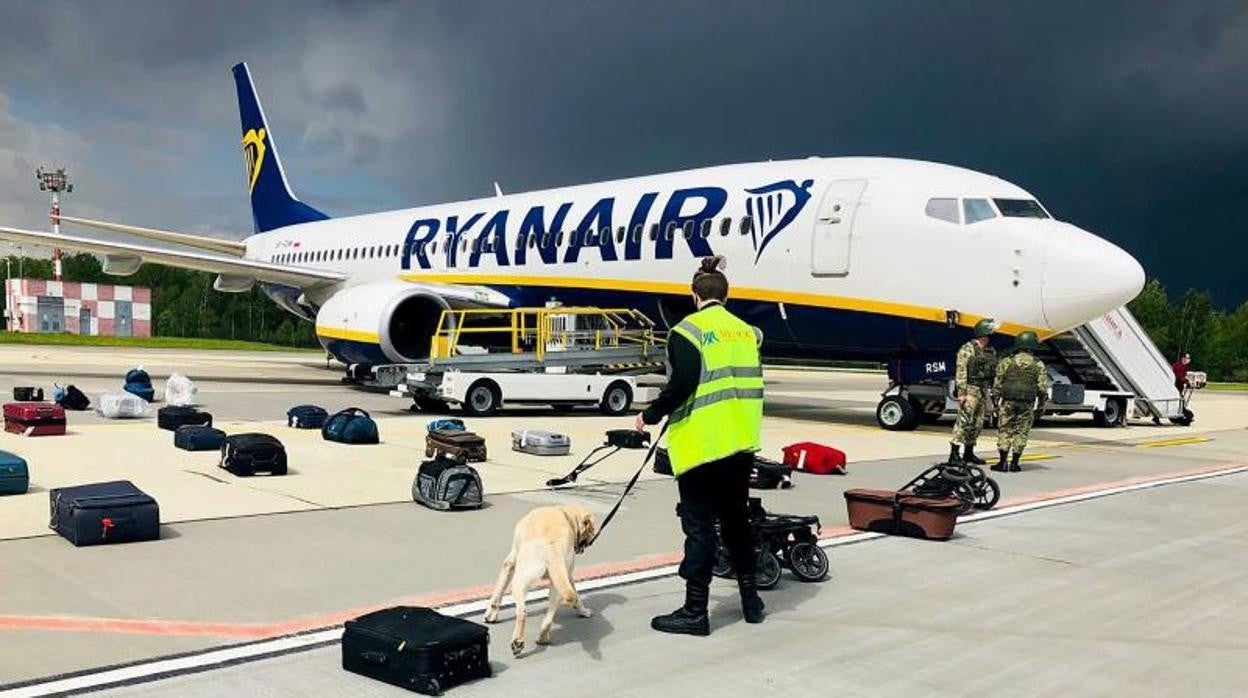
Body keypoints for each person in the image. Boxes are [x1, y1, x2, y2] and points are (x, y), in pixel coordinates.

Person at [634, 255, 765, 636]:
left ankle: (695, 611)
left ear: (694, 296)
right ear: (726, 295)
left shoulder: (687, 331)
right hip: (741, 444)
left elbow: (683, 383)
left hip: (703, 447)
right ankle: (751, 601)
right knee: (737, 523)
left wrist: (652, 413)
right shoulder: (747, 332)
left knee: (700, 528)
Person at [992, 331, 1049, 472]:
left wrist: (995, 403)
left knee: (1005, 430)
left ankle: (1002, 462)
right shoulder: (1038, 365)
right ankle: (1015, 463)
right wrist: (1041, 406)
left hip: (1008, 402)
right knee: (1021, 432)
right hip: (1027, 403)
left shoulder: (1006, 362)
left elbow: (997, 385)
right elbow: (1042, 389)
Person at [949, 319, 998, 465]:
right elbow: (961, 371)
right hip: (970, 389)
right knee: (963, 422)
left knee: (977, 423)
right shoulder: (967, 349)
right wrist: (962, 392)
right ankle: (954, 454)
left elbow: (993, 371)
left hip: (982, 391)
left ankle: (969, 453)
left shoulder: (990, 351)